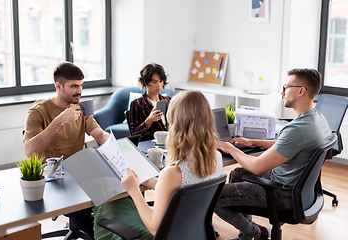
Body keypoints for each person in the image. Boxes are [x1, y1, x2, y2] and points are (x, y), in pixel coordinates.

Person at [214, 68, 331, 240]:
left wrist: (230, 148)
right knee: (237, 175)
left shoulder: (298, 129)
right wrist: (254, 142)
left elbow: (255, 166)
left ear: (301, 91)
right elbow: (289, 144)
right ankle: (246, 235)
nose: (282, 92)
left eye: (286, 87)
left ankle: (253, 231)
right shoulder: (317, 119)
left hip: (282, 195)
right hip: (297, 188)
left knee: (213, 196)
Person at [93, 90, 223, 239]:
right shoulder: (216, 158)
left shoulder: (173, 173)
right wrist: (145, 179)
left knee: (107, 206)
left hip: (163, 234)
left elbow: (156, 229)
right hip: (190, 232)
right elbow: (183, 185)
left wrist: (134, 189)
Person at [23, 62, 110, 240]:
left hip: (80, 172)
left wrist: (122, 145)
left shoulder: (82, 107)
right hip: (53, 176)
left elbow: (100, 135)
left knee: (115, 197)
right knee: (83, 212)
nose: (79, 91)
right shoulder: (37, 112)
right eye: (74, 86)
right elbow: (30, 151)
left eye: (81, 85)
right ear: (58, 86)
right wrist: (58, 121)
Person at [128, 63, 171, 141]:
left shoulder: (168, 101)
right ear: (145, 82)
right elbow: (134, 134)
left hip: (169, 143)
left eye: (161, 81)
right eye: (154, 82)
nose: (159, 85)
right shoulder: (137, 104)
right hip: (149, 145)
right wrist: (149, 120)